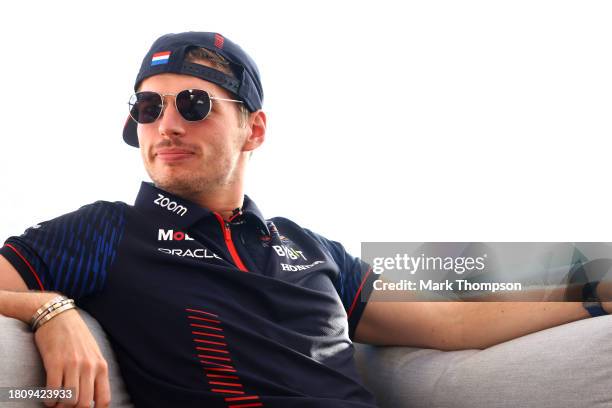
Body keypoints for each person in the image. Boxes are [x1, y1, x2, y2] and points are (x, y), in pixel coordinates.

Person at [0, 31, 609, 408]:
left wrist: (595, 294)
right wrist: (50, 309)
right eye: (148, 107)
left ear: (254, 129)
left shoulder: (306, 245)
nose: (167, 125)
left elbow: (449, 316)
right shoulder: (106, 231)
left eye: (193, 103)